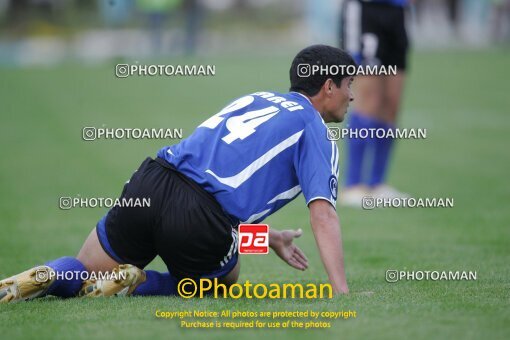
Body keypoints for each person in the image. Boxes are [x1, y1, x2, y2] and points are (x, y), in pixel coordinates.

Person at [0, 45, 354, 303]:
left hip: (153, 181)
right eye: (348, 85)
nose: (351, 96)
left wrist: (271, 237)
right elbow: (322, 215)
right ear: (328, 87)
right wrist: (341, 290)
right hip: (200, 220)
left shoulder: (257, 98)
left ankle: (49, 273)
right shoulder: (317, 131)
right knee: (227, 277)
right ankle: (139, 284)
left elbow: (211, 178)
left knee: (84, 272)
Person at [340, 0, 411, 206]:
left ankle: (377, 183)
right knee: (369, 100)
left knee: (391, 103)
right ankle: (353, 185)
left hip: (398, 10)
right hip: (367, 10)